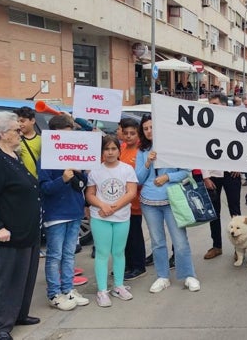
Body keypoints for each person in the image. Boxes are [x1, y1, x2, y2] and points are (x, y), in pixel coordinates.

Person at [0, 111, 41, 340]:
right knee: (8, 279)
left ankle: (19, 314)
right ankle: (1, 326)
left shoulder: (14, 154)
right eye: (16, 129)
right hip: (9, 232)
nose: (20, 132)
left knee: (26, 276)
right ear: (3, 134)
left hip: (28, 230)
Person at [136, 115, 201, 293]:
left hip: (172, 199)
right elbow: (139, 178)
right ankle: (162, 276)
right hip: (149, 202)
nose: (149, 131)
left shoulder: (173, 147)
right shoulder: (142, 151)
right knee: (157, 242)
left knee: (180, 240)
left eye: (152, 127)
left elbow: (186, 172)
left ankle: (188, 275)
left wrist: (167, 177)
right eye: (145, 128)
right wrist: (148, 162)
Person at [38, 115, 89, 311]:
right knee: (54, 255)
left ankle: (68, 289)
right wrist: (63, 179)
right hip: (56, 214)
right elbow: (45, 188)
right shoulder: (46, 159)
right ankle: (54, 294)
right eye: (64, 136)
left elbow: (82, 184)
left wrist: (80, 173)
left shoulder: (74, 155)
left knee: (69, 254)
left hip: (74, 211)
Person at [86, 135, 138, 307]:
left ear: (119, 150)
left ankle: (119, 285)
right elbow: (90, 194)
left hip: (121, 217)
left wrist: (113, 207)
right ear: (101, 152)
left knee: (118, 252)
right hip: (100, 217)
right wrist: (103, 205)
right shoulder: (95, 171)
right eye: (106, 149)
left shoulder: (127, 169)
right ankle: (102, 290)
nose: (110, 152)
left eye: (113, 148)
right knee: (102, 253)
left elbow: (131, 192)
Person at [202, 94, 242, 259]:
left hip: (232, 173)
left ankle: (239, 247)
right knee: (214, 212)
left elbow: (244, 145)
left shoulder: (236, 123)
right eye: (210, 104)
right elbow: (201, 150)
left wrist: (240, 166)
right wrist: (205, 176)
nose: (212, 106)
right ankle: (216, 245)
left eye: (215, 103)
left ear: (225, 105)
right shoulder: (204, 125)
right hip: (213, 174)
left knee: (235, 211)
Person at [118, 118, 148, 280]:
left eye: (132, 133)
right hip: (119, 202)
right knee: (124, 237)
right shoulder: (120, 149)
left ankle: (138, 266)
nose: (128, 136)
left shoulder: (140, 152)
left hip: (134, 202)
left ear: (138, 134)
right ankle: (127, 265)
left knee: (134, 236)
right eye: (125, 133)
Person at [14, 106, 40, 179]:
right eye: (17, 121)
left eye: (22, 121)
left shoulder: (41, 140)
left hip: (36, 181)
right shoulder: (13, 140)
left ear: (32, 121)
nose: (19, 124)